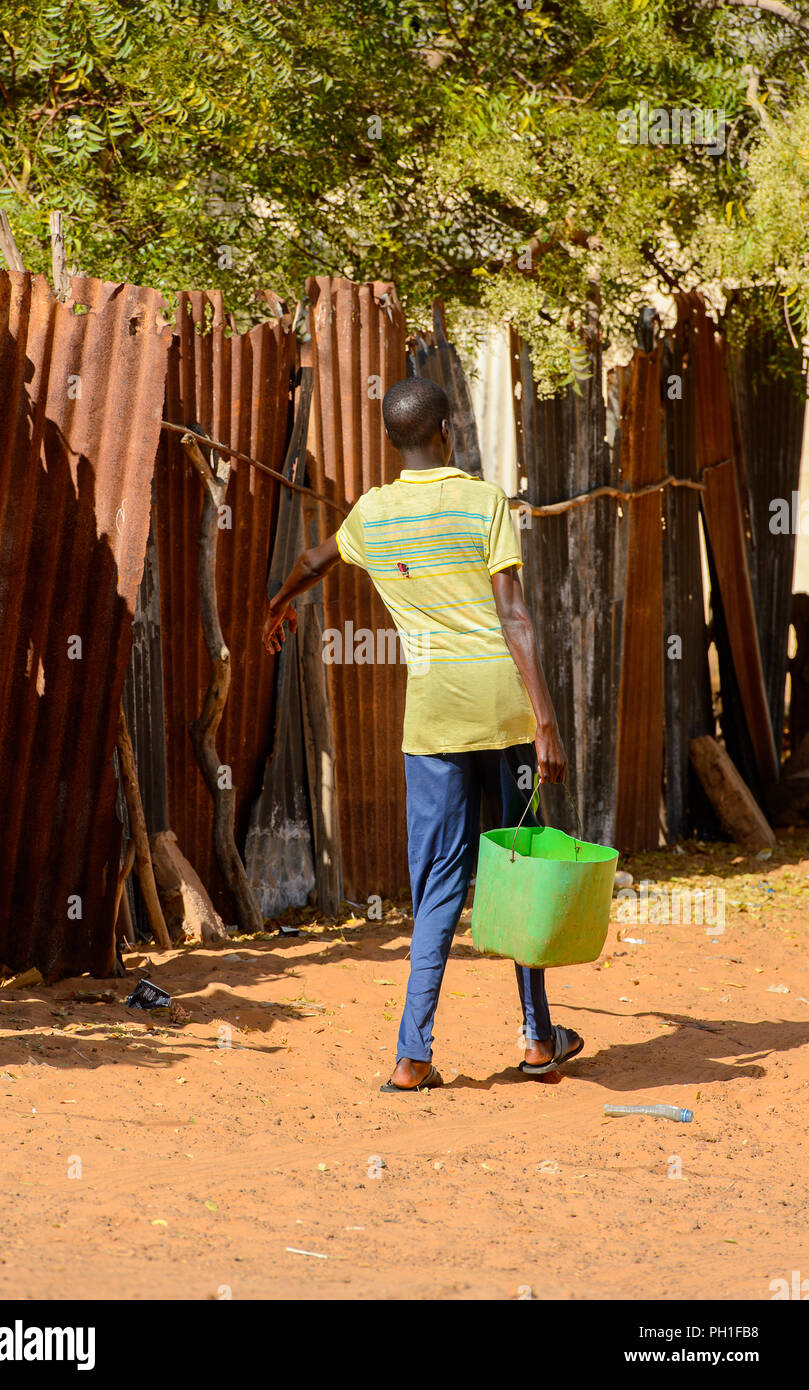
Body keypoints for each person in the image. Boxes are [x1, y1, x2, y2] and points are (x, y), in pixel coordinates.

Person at [262, 377, 583, 1090]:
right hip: (502, 712)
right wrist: (547, 723)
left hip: (432, 717)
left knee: (437, 885)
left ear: (391, 437)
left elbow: (316, 560)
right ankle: (537, 1041)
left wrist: (279, 603)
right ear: (446, 429)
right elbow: (514, 616)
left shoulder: (373, 514)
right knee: (517, 873)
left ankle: (413, 1057)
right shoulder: (482, 501)